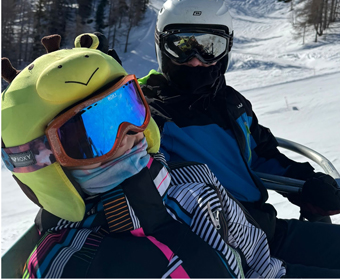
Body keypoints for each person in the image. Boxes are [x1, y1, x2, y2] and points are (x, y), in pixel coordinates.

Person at [1, 33, 285, 278]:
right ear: (41, 162)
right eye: (92, 137)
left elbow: (258, 258)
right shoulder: (67, 266)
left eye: (128, 107)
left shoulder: (194, 180)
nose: (129, 133)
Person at [139, 0, 340, 277]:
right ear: (162, 45)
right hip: (217, 253)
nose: (196, 61)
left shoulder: (231, 104)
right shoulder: (145, 111)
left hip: (267, 231)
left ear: (227, 49)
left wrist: (308, 182)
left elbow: (263, 155)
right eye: (182, 46)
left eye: (210, 47)